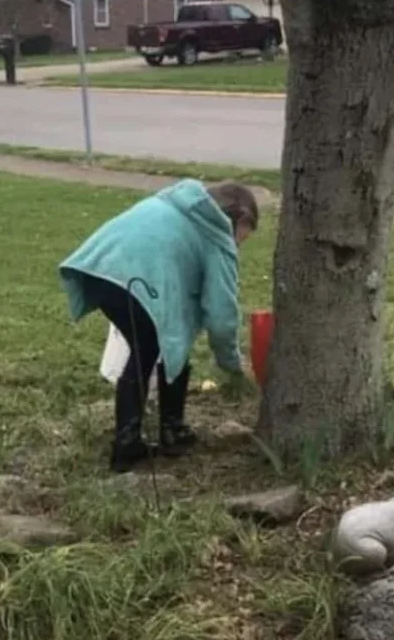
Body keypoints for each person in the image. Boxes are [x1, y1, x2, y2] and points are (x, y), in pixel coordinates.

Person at [59, 179, 259, 471]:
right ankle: (136, 442)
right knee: (148, 349)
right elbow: (221, 315)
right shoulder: (216, 234)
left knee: (156, 345)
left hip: (99, 269)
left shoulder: (175, 202)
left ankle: (164, 431)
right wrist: (233, 364)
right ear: (237, 218)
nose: (237, 247)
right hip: (136, 279)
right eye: (241, 239)